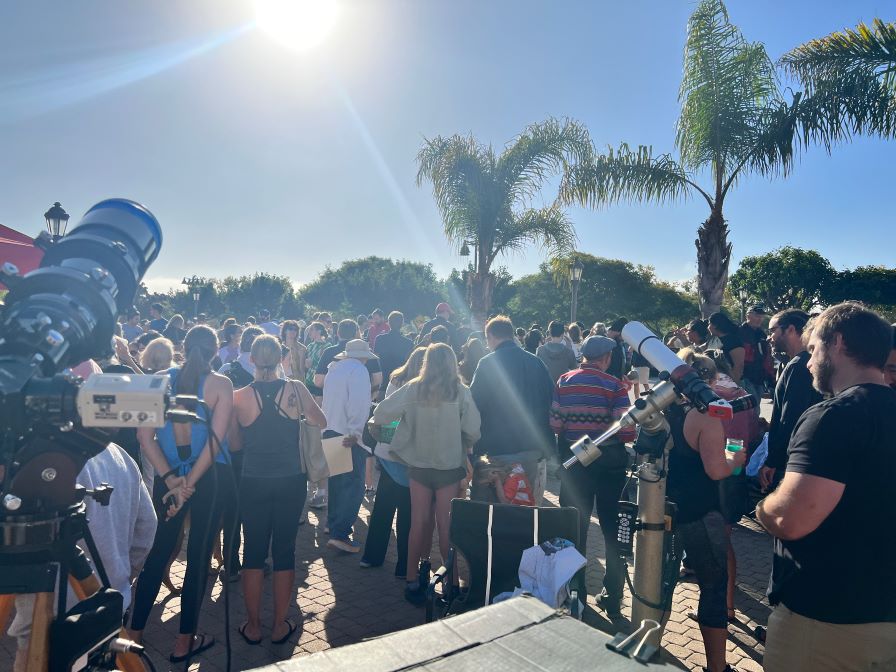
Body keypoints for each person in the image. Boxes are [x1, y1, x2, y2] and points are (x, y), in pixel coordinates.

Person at [756, 303, 896, 672]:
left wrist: (762, 507)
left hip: (828, 620)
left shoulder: (834, 416)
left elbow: (791, 519)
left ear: (836, 343)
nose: (808, 363)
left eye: (814, 349)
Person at [129, 326, 235, 663]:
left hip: (168, 476)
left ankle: (133, 633)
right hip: (210, 477)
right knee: (199, 555)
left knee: (159, 553)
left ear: (184, 347)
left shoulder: (155, 379)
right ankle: (184, 640)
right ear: (215, 351)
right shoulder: (222, 384)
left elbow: (145, 438)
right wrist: (190, 482)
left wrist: (174, 481)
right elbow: (217, 441)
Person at [9, 444, 157, 672]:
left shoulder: (29, 459)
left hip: (45, 624)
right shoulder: (118, 455)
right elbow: (147, 526)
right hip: (108, 605)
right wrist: (124, 576)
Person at [231, 335, 326, 645]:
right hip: (290, 479)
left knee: (253, 551)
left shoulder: (240, 396)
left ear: (252, 360)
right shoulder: (296, 389)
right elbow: (320, 420)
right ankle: (279, 625)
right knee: (285, 550)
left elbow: (234, 444)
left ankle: (254, 625)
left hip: (253, 479)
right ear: (282, 358)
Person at [372, 343, 481, 604]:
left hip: (418, 464)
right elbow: (474, 429)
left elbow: (381, 413)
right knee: (446, 525)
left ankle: (412, 580)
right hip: (449, 467)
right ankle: (452, 583)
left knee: (418, 523)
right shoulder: (460, 391)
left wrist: (403, 431)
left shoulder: (413, 388)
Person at [665, 372, 746, 672]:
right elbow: (716, 470)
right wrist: (735, 461)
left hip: (661, 508)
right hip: (699, 512)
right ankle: (716, 667)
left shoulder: (662, 410)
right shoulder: (705, 416)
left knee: (657, 585)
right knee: (713, 588)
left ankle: (649, 650)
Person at [551, 335, 635, 620]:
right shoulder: (614, 385)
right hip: (610, 467)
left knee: (575, 529)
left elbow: (555, 423)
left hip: (576, 465)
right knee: (612, 530)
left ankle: (576, 593)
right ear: (607, 357)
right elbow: (627, 431)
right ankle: (613, 594)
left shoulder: (564, 380)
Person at [679, 348, 760, 626]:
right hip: (727, 477)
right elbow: (745, 437)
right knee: (723, 546)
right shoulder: (739, 397)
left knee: (718, 549)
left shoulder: (684, 407)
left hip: (703, 488)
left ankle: (724, 606)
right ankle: (727, 607)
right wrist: (735, 460)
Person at [470, 316, 554, 505]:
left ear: (490, 336)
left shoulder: (487, 363)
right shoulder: (537, 363)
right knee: (524, 509)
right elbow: (551, 401)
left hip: (497, 450)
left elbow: (474, 404)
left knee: (491, 511)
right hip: (532, 448)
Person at [360, 347, 428, 578]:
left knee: (383, 508)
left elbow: (385, 413)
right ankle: (404, 566)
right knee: (408, 512)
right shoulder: (424, 389)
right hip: (410, 455)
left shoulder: (395, 381)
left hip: (388, 452)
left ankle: (372, 556)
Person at [321, 339, 377, 553]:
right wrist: (356, 432)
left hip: (331, 428)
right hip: (348, 432)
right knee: (353, 485)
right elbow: (359, 405)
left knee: (336, 481)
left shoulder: (334, 368)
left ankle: (333, 524)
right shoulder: (359, 371)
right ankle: (341, 533)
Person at [759, 309, 823, 492]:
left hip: (791, 462)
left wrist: (773, 461)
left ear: (791, 330)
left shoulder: (799, 366)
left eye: (772, 330)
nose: (769, 337)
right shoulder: (801, 363)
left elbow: (792, 418)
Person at [314, 319, 383, 394]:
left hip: (334, 399)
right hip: (361, 398)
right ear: (356, 333)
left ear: (338, 333)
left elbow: (318, 381)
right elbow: (378, 379)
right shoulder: (367, 353)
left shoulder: (328, 352)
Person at [373, 311, 414, 397]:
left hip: (383, 385)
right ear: (402, 324)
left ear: (388, 323)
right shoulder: (408, 343)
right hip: (400, 386)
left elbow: (375, 360)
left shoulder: (380, 339)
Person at [739, 305, 771, 407]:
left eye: (762, 316)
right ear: (748, 315)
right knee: (752, 407)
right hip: (745, 376)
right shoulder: (739, 331)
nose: (760, 319)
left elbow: (765, 356)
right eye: (757, 315)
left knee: (756, 406)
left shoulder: (761, 334)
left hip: (759, 377)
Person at [708, 312, 744, 385]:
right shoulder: (714, 340)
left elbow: (739, 365)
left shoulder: (733, 341)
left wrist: (733, 384)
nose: (708, 327)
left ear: (715, 325)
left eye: (709, 324)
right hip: (717, 382)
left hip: (731, 383)